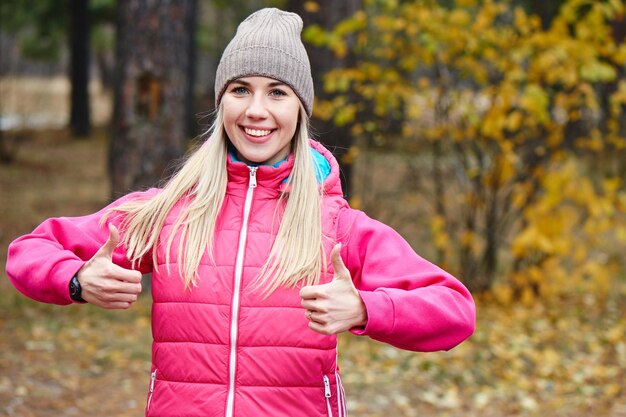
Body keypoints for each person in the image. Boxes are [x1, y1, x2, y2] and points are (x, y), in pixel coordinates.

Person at [6, 7, 475, 417]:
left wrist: (364, 309)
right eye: (239, 90)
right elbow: (30, 251)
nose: (255, 110)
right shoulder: (167, 212)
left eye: (277, 92)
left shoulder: (337, 225)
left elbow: (454, 309)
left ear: (300, 108)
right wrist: (76, 281)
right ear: (220, 102)